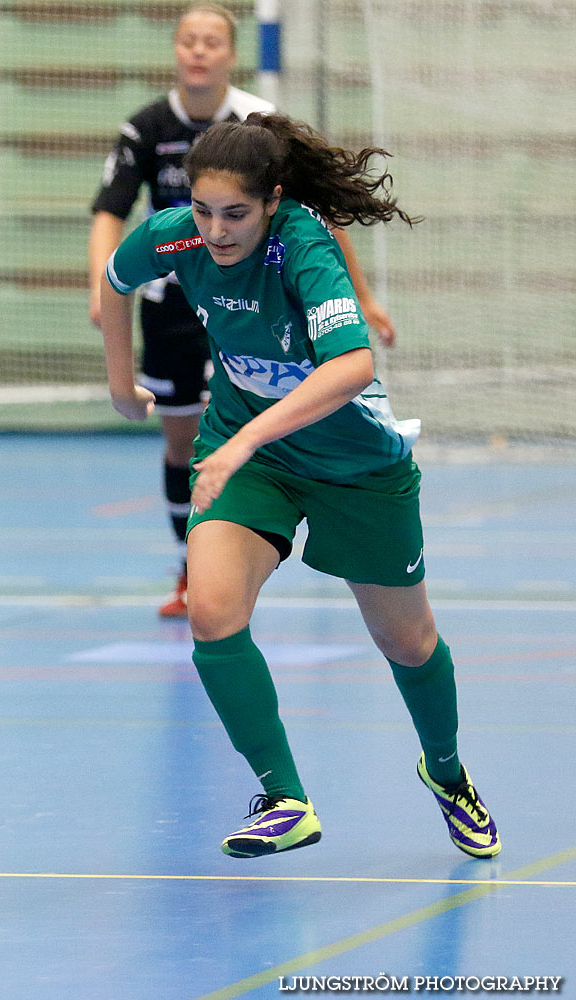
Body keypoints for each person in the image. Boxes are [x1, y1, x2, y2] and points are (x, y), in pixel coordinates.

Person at [97, 111, 499, 860]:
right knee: (212, 614)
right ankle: (285, 796)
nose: (216, 230)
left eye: (236, 214)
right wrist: (123, 385)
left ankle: (446, 772)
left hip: (355, 464)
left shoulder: (303, 246)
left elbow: (353, 368)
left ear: (273, 200)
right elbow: (115, 279)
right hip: (253, 458)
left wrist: (247, 434)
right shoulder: (176, 233)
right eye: (206, 210)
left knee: (408, 643)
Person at [88, 1, 396, 619]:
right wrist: (104, 296)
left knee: (263, 406)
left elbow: (322, 222)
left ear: (231, 54)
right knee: (182, 437)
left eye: (212, 42)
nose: (199, 52)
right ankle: (192, 564)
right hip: (175, 298)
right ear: (175, 50)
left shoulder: (259, 124)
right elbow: (111, 216)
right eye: (188, 41)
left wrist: (360, 296)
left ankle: (287, 511)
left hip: (258, 296)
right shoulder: (146, 128)